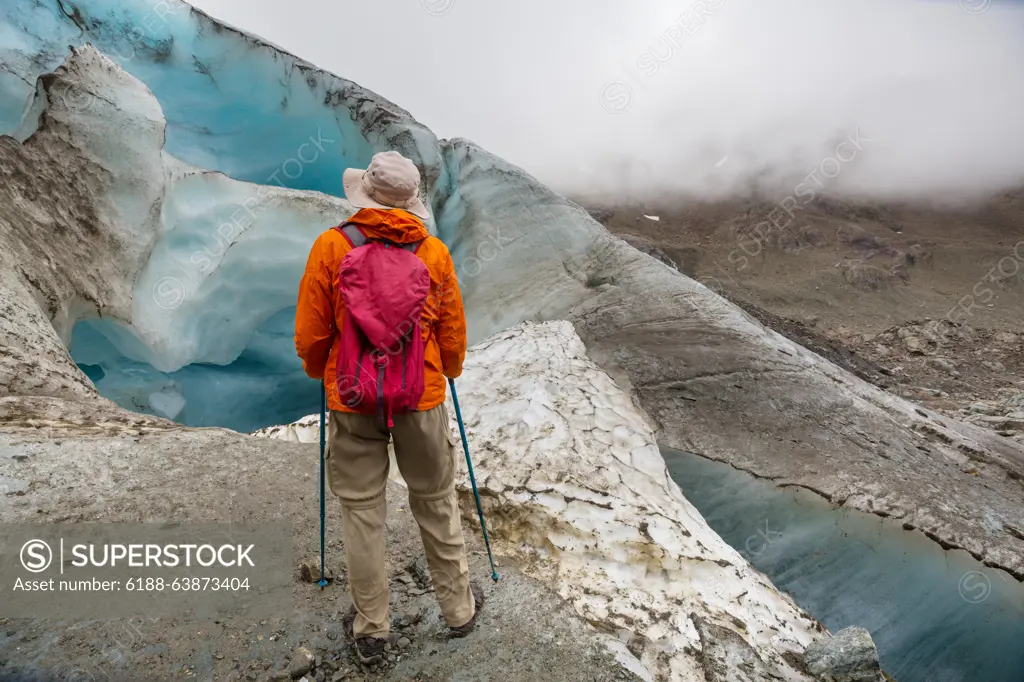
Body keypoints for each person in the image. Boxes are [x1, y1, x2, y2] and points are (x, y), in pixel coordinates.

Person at [294, 150, 483, 665]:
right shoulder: (434, 253)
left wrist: (325, 374)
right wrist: (447, 370)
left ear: (366, 194)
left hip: (354, 398)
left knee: (362, 512)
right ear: (410, 203)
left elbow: (312, 333)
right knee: (436, 502)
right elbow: (452, 334)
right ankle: (459, 610)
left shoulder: (333, 246)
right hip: (418, 397)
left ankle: (372, 628)